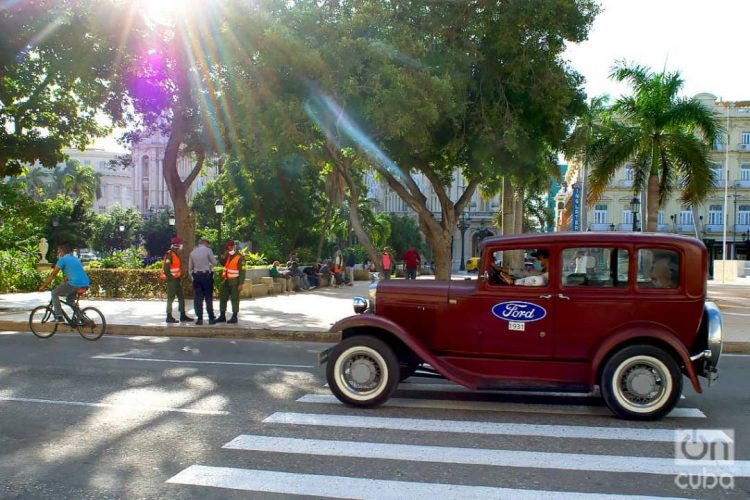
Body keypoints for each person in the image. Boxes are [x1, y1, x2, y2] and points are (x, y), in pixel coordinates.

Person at [38, 243, 90, 322]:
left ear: (62, 251)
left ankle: (59, 316)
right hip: (85, 283)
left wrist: (43, 286)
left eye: (59, 251)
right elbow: (70, 275)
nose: (58, 253)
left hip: (74, 283)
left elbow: (53, 274)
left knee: (54, 293)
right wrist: (62, 284)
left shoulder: (62, 260)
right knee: (69, 300)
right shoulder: (75, 258)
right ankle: (83, 319)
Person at [161, 236, 193, 323]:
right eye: (180, 244)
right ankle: (169, 316)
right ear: (177, 245)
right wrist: (171, 279)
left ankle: (183, 315)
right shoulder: (170, 254)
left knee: (181, 297)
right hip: (172, 281)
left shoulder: (175, 254)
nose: (181, 245)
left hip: (177, 280)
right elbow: (166, 269)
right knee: (170, 299)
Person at [189, 238, 217, 325]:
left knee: (198, 299)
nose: (208, 245)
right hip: (206, 277)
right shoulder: (208, 251)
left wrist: (193, 277)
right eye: (208, 243)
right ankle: (211, 318)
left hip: (197, 277)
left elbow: (190, 268)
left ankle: (199, 318)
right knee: (208, 298)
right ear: (205, 243)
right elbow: (215, 263)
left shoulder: (193, 252)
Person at [216, 240, 245, 324]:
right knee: (222, 298)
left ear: (234, 247)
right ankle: (222, 316)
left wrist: (241, 283)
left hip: (235, 281)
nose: (230, 248)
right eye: (228, 247)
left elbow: (242, 271)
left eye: (231, 247)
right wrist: (223, 257)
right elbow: (221, 263)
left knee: (235, 299)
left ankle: (234, 316)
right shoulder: (227, 256)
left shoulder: (240, 257)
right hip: (226, 280)